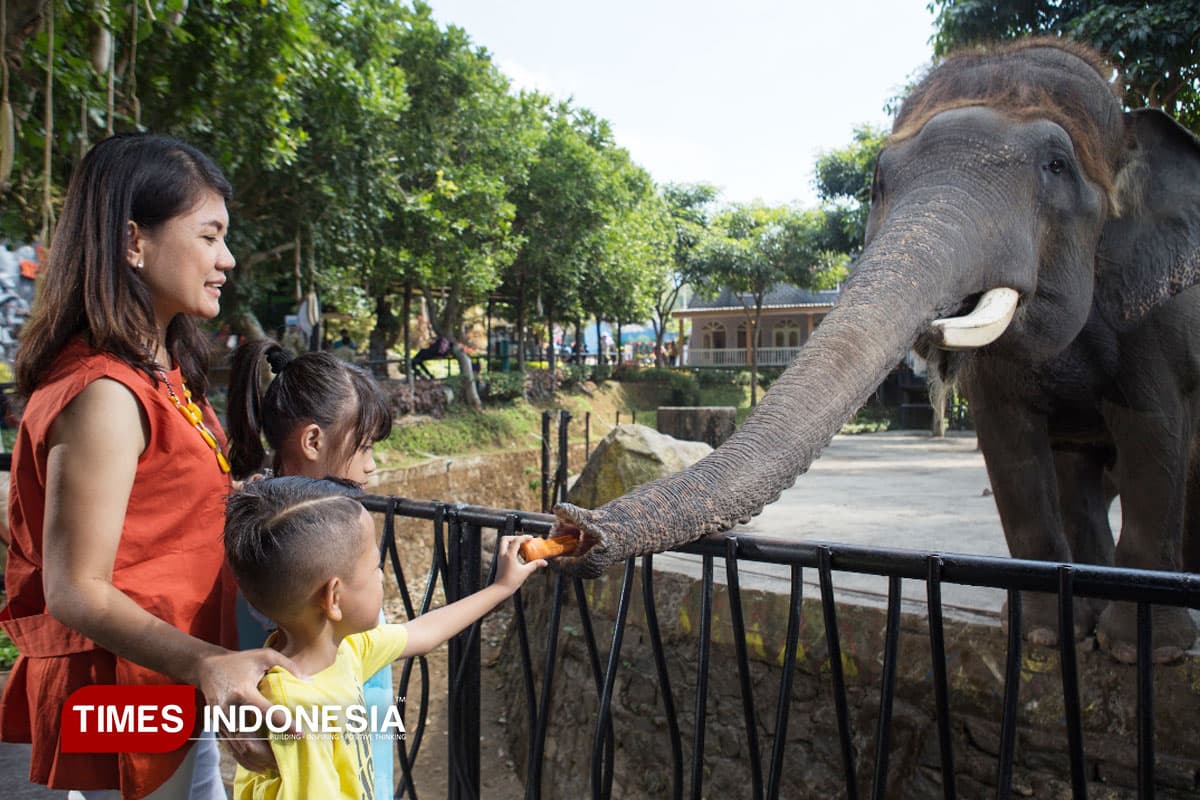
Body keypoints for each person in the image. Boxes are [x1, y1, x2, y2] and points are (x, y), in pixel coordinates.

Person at [0, 133, 300, 799]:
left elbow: (156, 506)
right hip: (125, 687)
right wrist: (210, 664)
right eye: (210, 235)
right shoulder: (104, 392)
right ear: (133, 242)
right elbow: (76, 588)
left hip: (166, 676)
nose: (225, 260)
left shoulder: (158, 370)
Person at [225, 477, 546, 800]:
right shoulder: (295, 714)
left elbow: (422, 633)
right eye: (375, 567)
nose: (381, 575)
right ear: (334, 597)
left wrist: (501, 588)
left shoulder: (342, 649)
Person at [225, 337, 395, 795]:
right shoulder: (275, 544)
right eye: (363, 448)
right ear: (314, 440)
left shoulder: (274, 525)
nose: (371, 466)